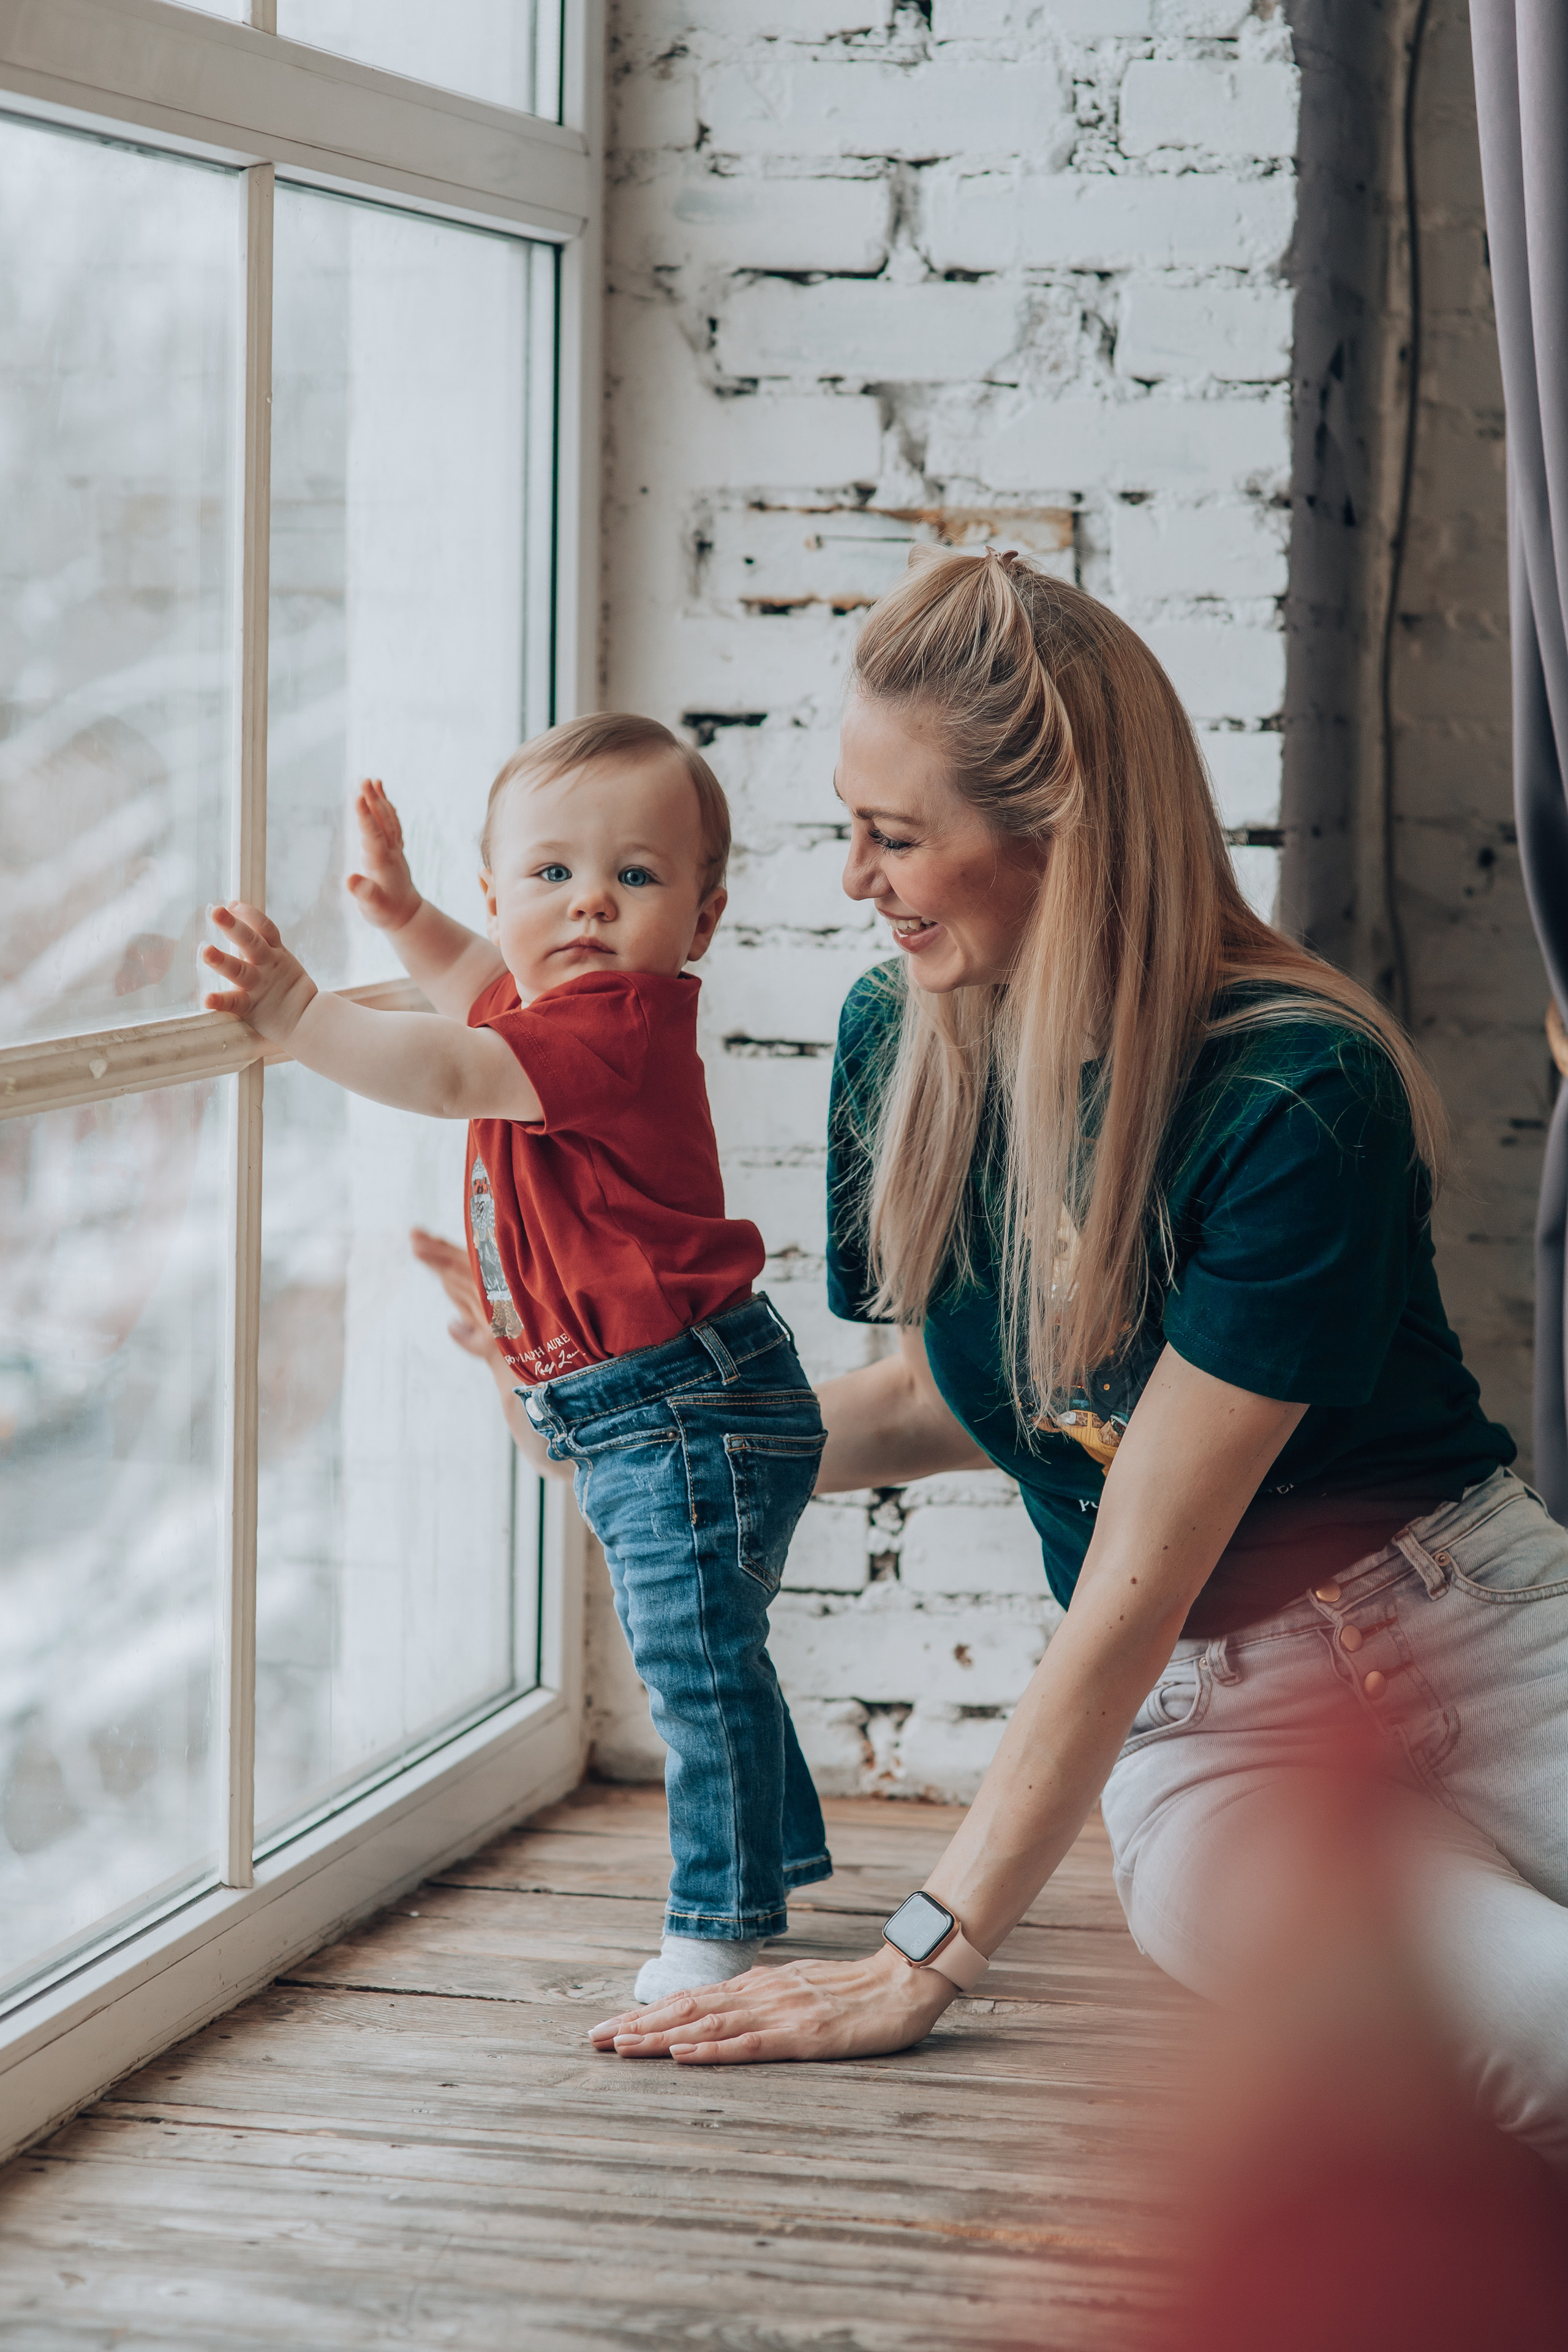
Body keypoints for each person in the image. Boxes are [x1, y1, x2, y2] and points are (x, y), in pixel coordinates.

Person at [587, 552, 1568, 2177]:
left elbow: (1137, 1572)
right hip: (1213, 1748)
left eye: (894, 836)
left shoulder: (1297, 1090)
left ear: (1062, 835)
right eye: (849, 825)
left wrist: (921, 1955)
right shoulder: (898, 1037)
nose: (853, 878)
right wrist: (640, 1436)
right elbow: (962, 1402)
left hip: (1479, 1636)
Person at [202, 713, 832, 2003]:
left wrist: (300, 1015)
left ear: (702, 920)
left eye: (635, 876)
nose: (589, 902)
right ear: (498, 893)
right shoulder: (543, 1006)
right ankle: (772, 1854)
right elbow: (476, 984)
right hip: (660, 1401)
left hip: (681, 1407)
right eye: (551, 873)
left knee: (695, 1664)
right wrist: (401, 913)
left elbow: (447, 1069)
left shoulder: (617, 1025)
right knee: (714, 1649)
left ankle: (720, 1922)